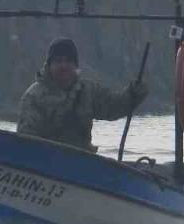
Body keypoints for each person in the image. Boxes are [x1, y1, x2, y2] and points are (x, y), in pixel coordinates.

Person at [16, 37, 148, 153]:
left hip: (83, 163)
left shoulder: (88, 90)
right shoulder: (33, 97)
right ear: (49, 65)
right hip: (45, 163)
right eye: (58, 61)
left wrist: (133, 94)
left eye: (68, 61)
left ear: (75, 65)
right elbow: (27, 141)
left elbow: (113, 106)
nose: (63, 66)